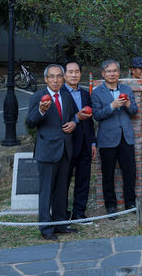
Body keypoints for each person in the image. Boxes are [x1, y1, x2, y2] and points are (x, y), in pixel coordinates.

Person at [26, 64, 77, 240]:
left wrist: (74, 123)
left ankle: (60, 222)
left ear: (63, 79)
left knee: (62, 189)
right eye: (52, 77)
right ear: (46, 79)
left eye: (59, 77)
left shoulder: (66, 95)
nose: (55, 80)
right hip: (47, 150)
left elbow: (73, 116)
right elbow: (30, 122)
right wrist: (41, 110)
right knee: (46, 190)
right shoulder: (38, 97)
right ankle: (46, 227)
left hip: (65, 149)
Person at [91, 60, 139, 217]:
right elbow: (97, 115)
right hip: (107, 139)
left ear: (119, 73)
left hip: (126, 137)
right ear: (103, 74)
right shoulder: (97, 92)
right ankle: (110, 206)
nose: (112, 74)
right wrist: (112, 106)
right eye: (108, 71)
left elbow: (134, 111)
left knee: (130, 172)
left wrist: (127, 104)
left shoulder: (126, 89)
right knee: (108, 173)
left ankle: (130, 203)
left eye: (115, 71)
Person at [63, 60, 96, 223]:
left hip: (84, 143)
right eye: (70, 72)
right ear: (64, 75)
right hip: (67, 145)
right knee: (64, 180)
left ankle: (79, 213)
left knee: (83, 180)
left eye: (77, 71)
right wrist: (77, 117)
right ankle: (61, 214)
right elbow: (59, 119)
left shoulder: (84, 94)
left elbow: (89, 121)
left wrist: (93, 142)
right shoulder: (60, 93)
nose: (74, 74)